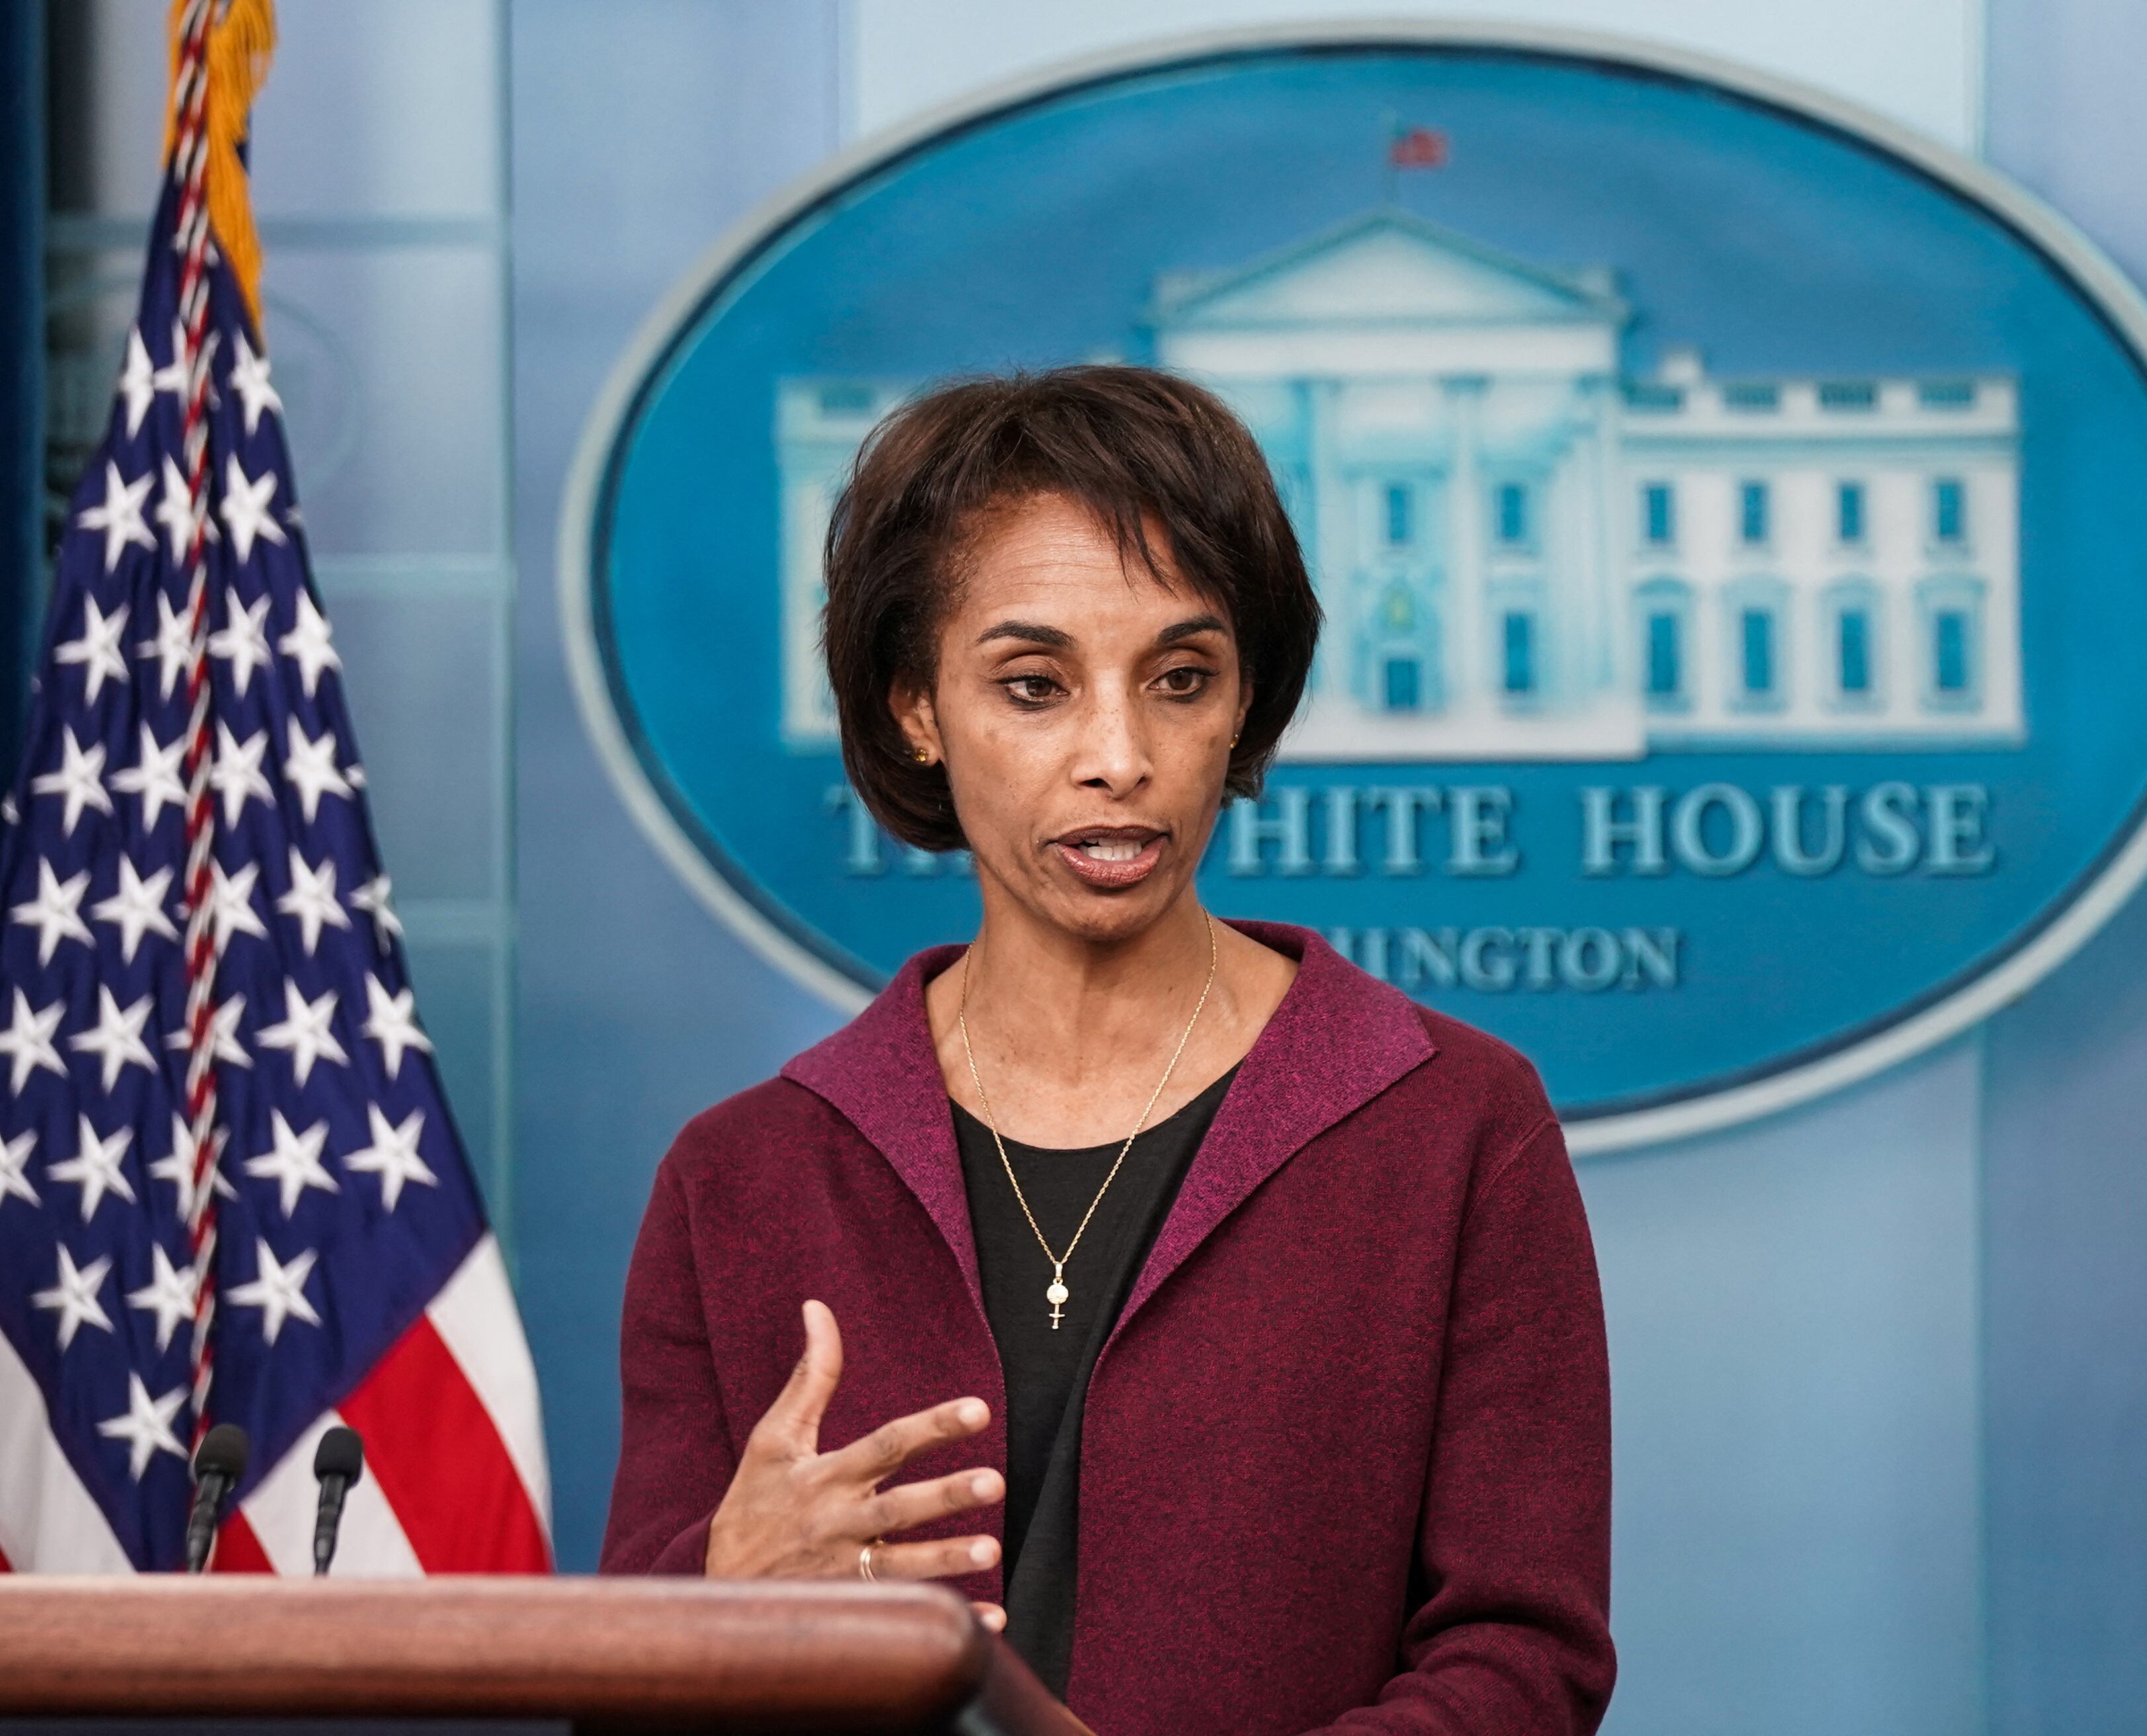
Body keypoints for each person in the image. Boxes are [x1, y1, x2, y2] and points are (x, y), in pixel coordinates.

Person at [601, 366, 1615, 1734]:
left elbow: (1524, 1661)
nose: (1119, 754)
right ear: (915, 705)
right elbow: (620, 1703)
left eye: (1181, 679)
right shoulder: (743, 1178)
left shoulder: (1456, 1124)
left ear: (1244, 705)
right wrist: (726, 1595)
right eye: (1035, 685)